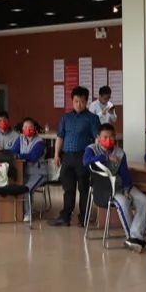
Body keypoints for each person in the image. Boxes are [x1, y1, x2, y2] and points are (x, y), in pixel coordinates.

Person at [82, 124, 146, 251]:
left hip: (120, 185)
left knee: (143, 200)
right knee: (123, 202)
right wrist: (106, 157)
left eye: (111, 137)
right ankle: (133, 238)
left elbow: (125, 173)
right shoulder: (91, 149)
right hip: (106, 189)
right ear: (98, 137)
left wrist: (127, 188)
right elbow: (86, 161)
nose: (108, 140)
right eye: (105, 137)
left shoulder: (120, 152)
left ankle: (134, 237)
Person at [51, 87, 99, 227]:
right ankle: (65, 217)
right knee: (68, 189)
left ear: (86, 102)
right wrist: (56, 155)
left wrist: (95, 155)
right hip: (67, 157)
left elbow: (97, 138)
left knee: (84, 189)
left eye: (82, 101)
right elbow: (60, 137)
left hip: (84, 157)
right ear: (72, 101)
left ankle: (84, 218)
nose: (79, 104)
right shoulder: (65, 118)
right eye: (76, 101)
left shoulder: (92, 118)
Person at [12, 118, 47, 223]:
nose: (28, 129)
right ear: (22, 129)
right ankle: (19, 212)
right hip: (24, 172)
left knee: (27, 189)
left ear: (35, 128)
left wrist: (19, 156)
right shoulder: (20, 139)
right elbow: (13, 152)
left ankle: (28, 214)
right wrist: (18, 155)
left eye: (30, 127)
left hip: (39, 173)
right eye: (25, 127)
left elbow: (33, 156)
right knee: (17, 187)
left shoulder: (40, 142)